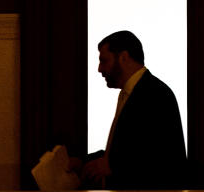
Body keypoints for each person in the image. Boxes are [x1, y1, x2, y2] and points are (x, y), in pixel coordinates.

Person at [75, 30, 187, 189]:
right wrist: (82, 161)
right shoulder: (137, 92)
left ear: (123, 58)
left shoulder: (156, 94)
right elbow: (128, 150)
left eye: (104, 60)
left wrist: (111, 167)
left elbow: (160, 160)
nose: (99, 69)